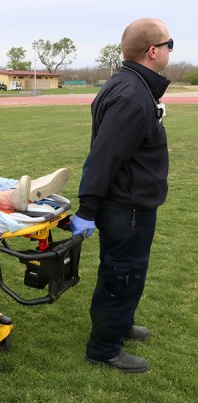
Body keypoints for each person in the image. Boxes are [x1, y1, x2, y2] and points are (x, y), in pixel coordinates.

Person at [70, 18, 173, 373]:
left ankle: (120, 324)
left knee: (128, 270)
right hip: (126, 206)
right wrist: (87, 208)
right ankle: (104, 348)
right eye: (169, 43)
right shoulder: (131, 94)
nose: (171, 50)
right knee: (122, 273)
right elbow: (105, 156)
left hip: (133, 202)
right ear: (153, 50)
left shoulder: (133, 85)